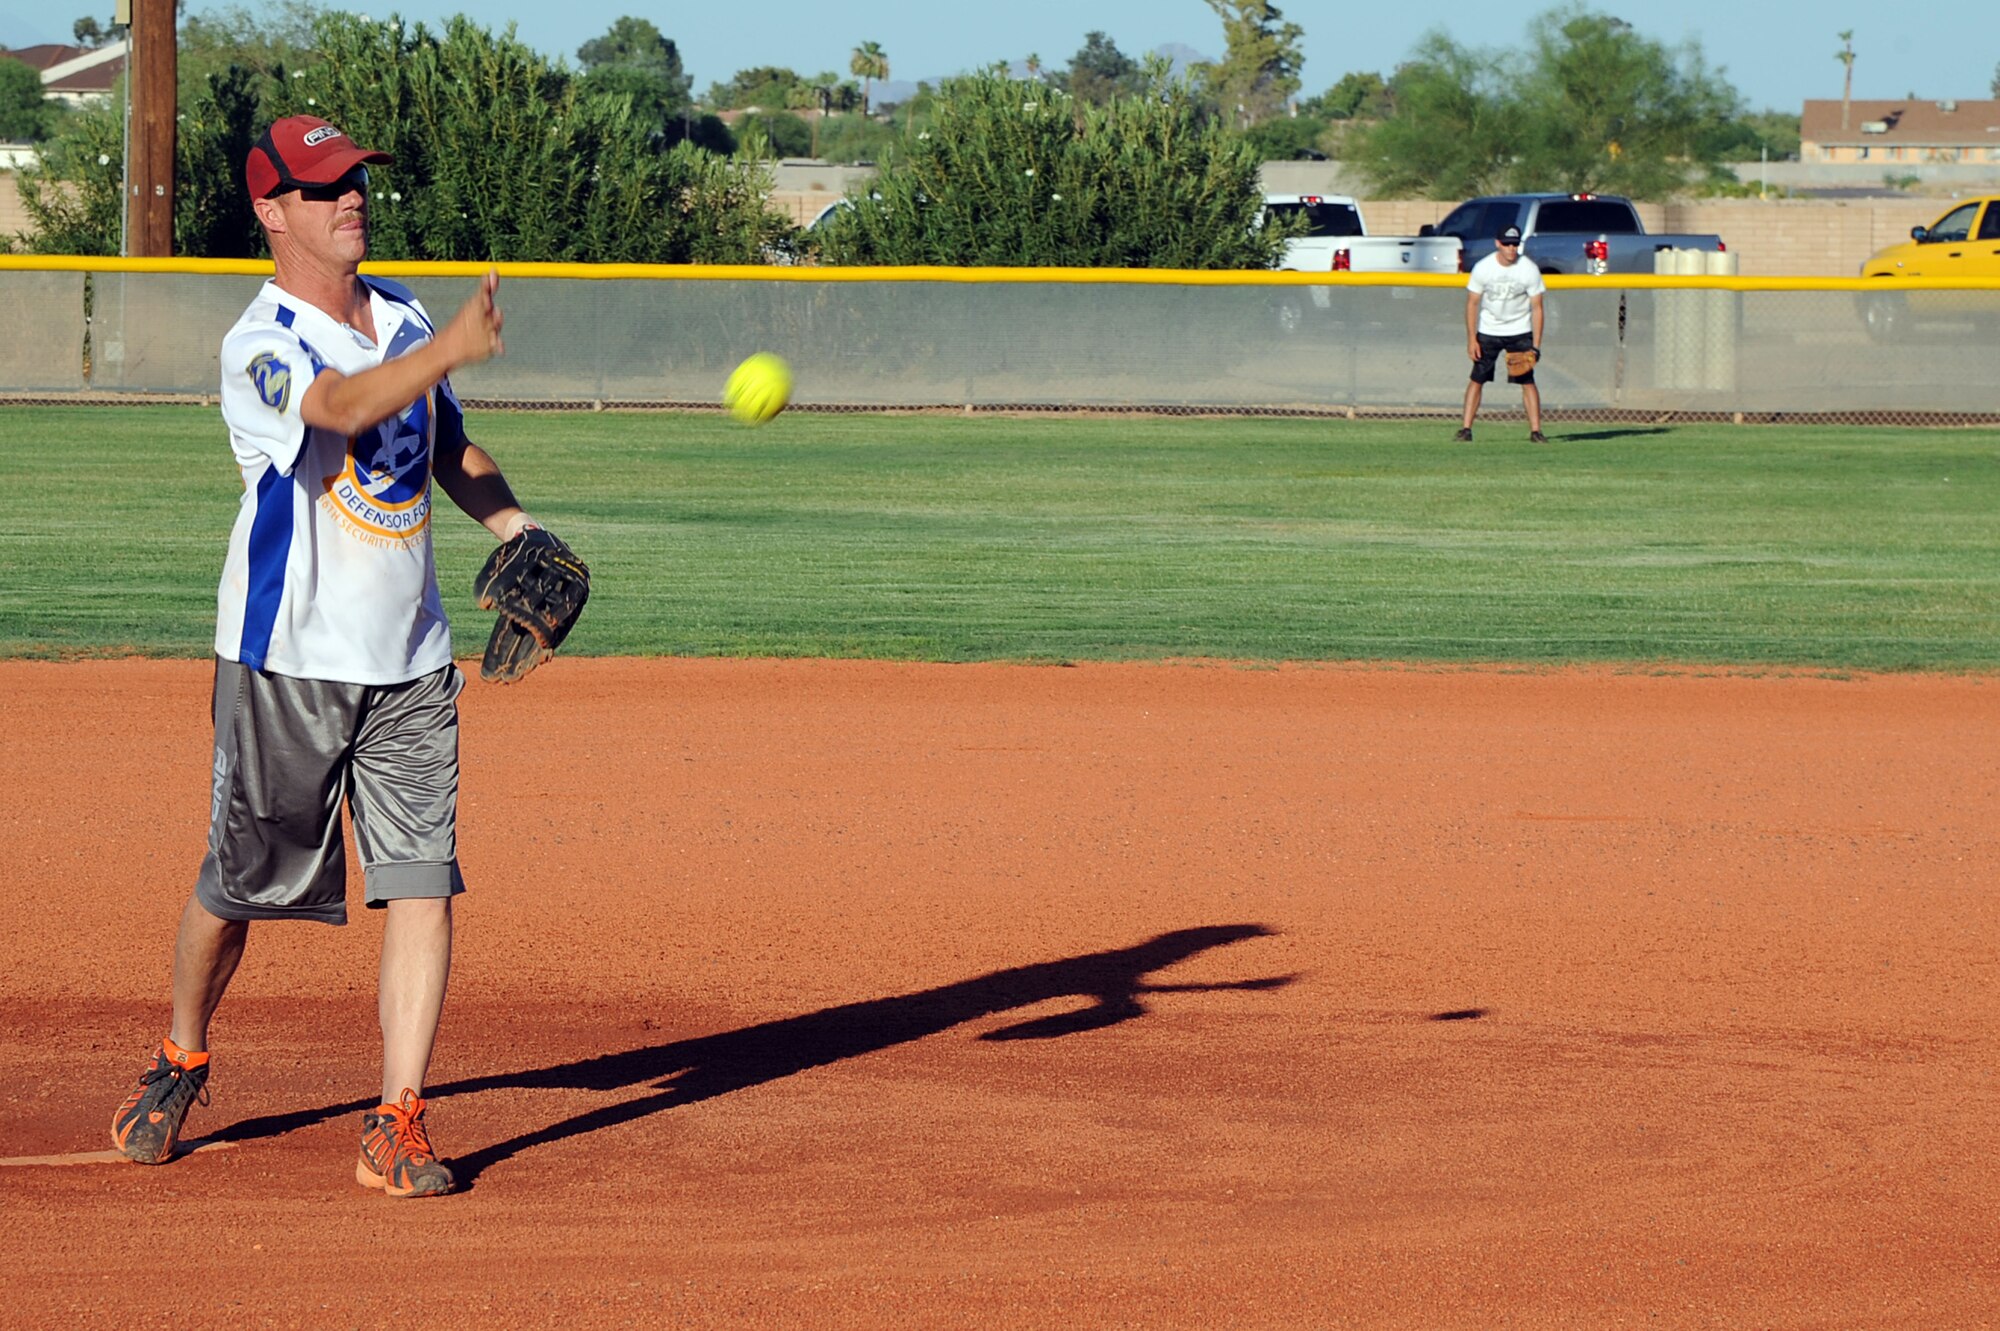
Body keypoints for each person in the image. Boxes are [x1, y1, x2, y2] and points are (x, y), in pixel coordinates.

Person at [110, 115, 547, 1198]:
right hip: (286, 661)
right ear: (270, 210)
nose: (351, 196)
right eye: (322, 186)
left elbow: (443, 443)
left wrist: (519, 531)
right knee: (241, 885)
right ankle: (182, 1051)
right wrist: (442, 348)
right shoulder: (259, 344)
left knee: (421, 886)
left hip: (412, 661)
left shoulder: (396, 310)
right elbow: (343, 408)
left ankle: (396, 1116)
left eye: (355, 179)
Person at [1456, 224, 1548, 443]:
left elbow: (1537, 308)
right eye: (1506, 244)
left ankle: (1536, 431)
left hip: (1519, 330)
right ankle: (1466, 429)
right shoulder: (1483, 267)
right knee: (1477, 379)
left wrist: (1535, 346)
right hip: (1489, 330)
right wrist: (1471, 339)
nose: (1511, 249)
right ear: (1498, 243)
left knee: (1527, 381)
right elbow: (1472, 304)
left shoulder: (1528, 268)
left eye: (1515, 244)